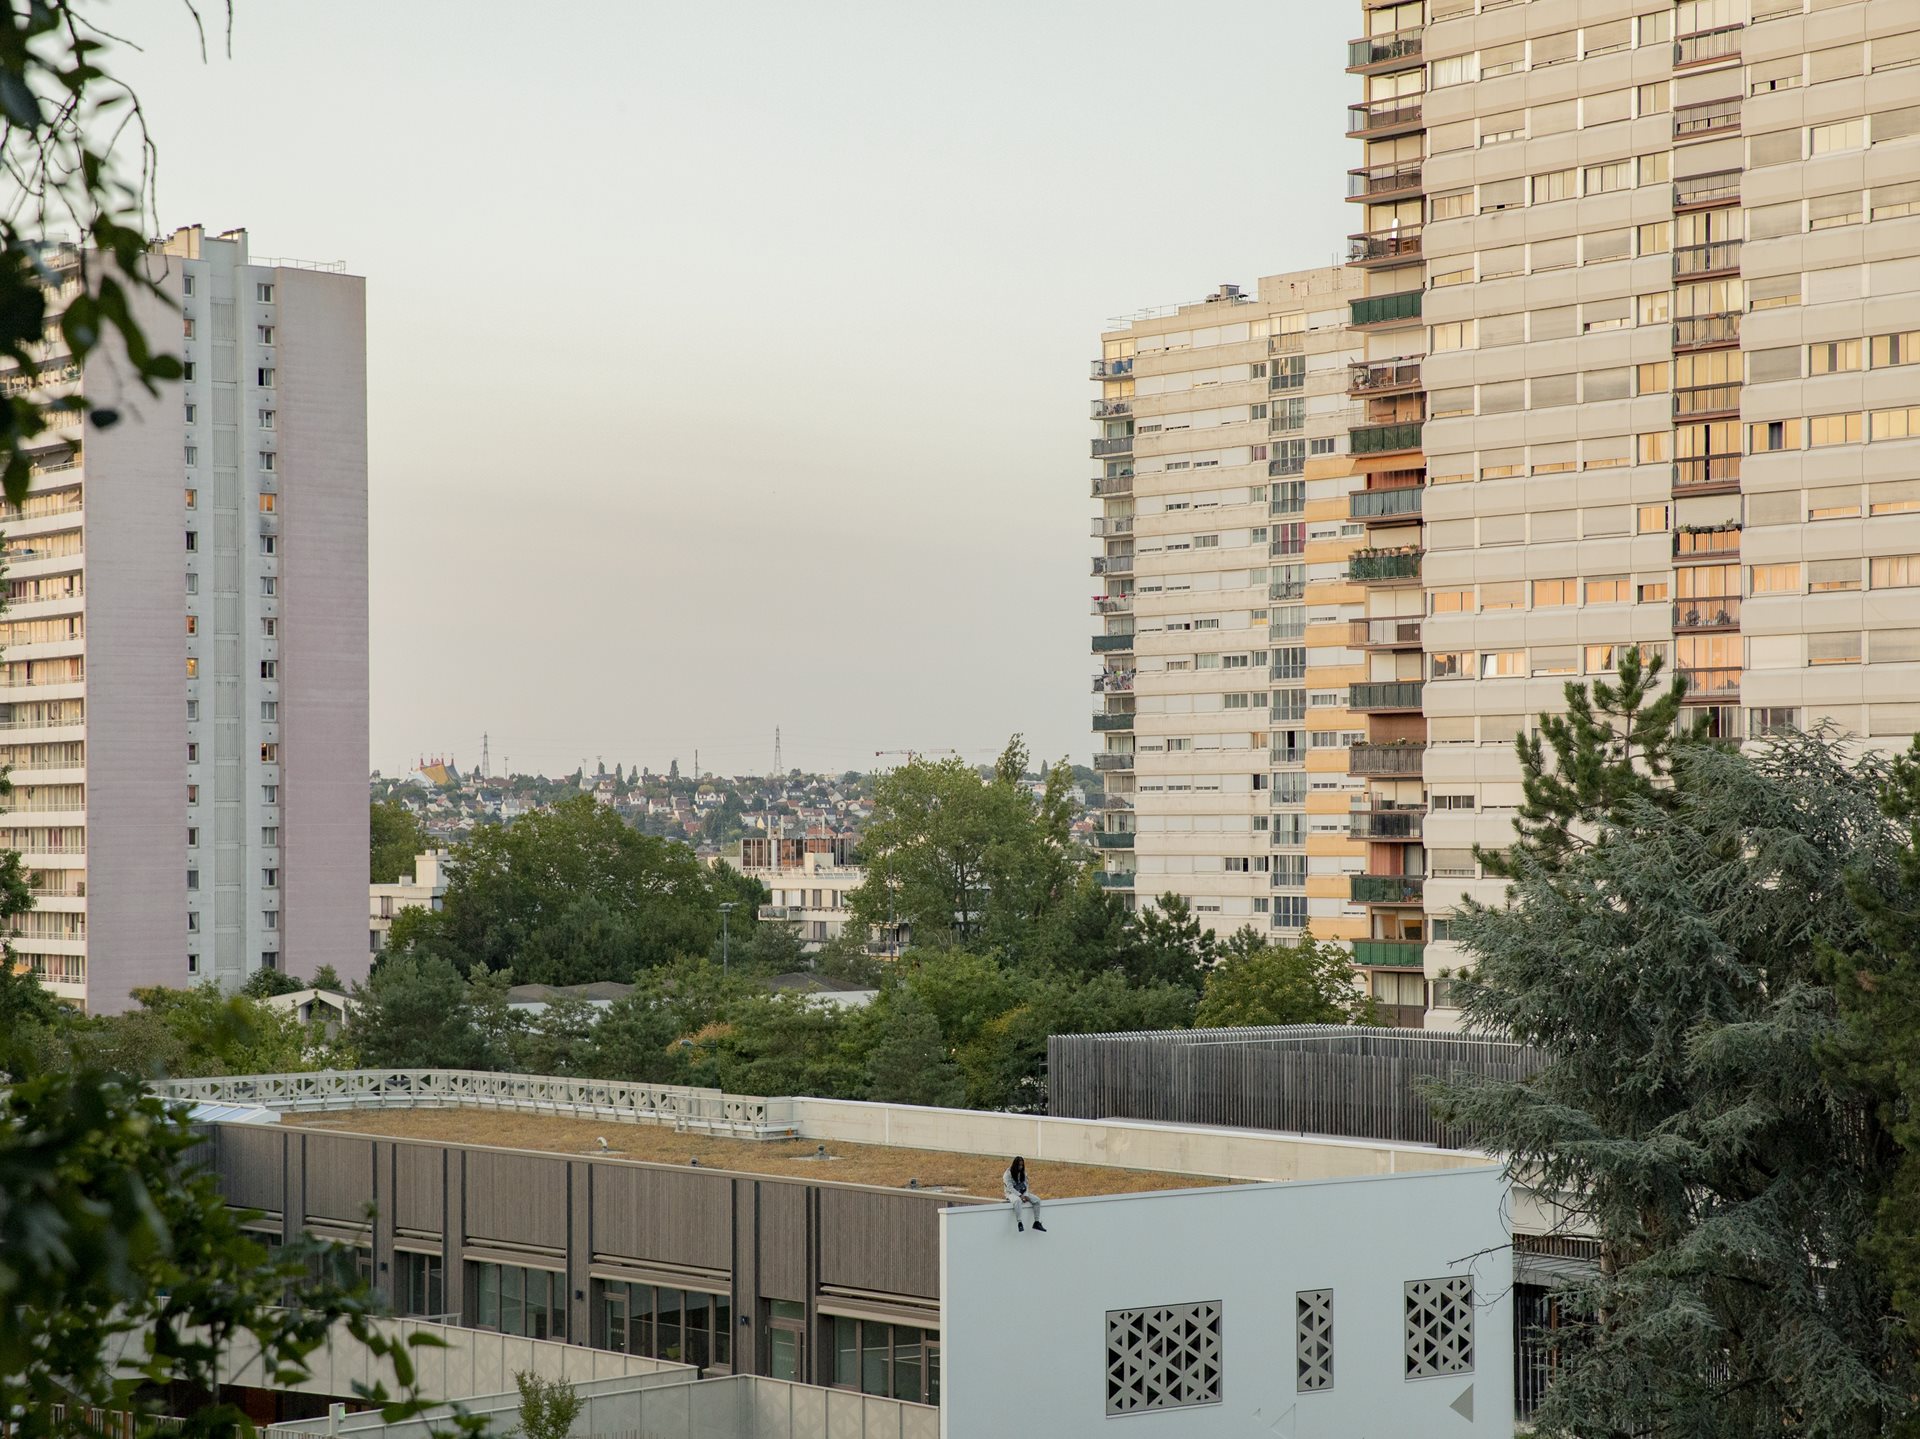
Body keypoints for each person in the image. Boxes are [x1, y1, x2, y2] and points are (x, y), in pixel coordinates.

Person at [1002, 1155, 1046, 1233]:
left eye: (1022, 1165)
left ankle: (1036, 1222)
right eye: (1019, 1165)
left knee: (1037, 1200)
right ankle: (1019, 1222)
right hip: (1011, 1193)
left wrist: (1026, 1195)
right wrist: (1020, 1196)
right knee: (1017, 1201)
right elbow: (1010, 1188)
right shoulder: (1007, 1174)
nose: (1021, 1167)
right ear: (1015, 1165)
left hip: (1023, 1192)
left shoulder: (1023, 1173)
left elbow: (1026, 1185)